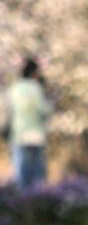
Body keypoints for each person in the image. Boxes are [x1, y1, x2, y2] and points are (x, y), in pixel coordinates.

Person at [6, 58, 52, 189]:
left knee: (21, 173)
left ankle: (22, 199)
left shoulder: (14, 88)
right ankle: (37, 198)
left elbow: (9, 111)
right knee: (38, 174)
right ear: (34, 72)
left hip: (19, 134)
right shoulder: (36, 88)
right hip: (36, 135)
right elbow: (44, 110)